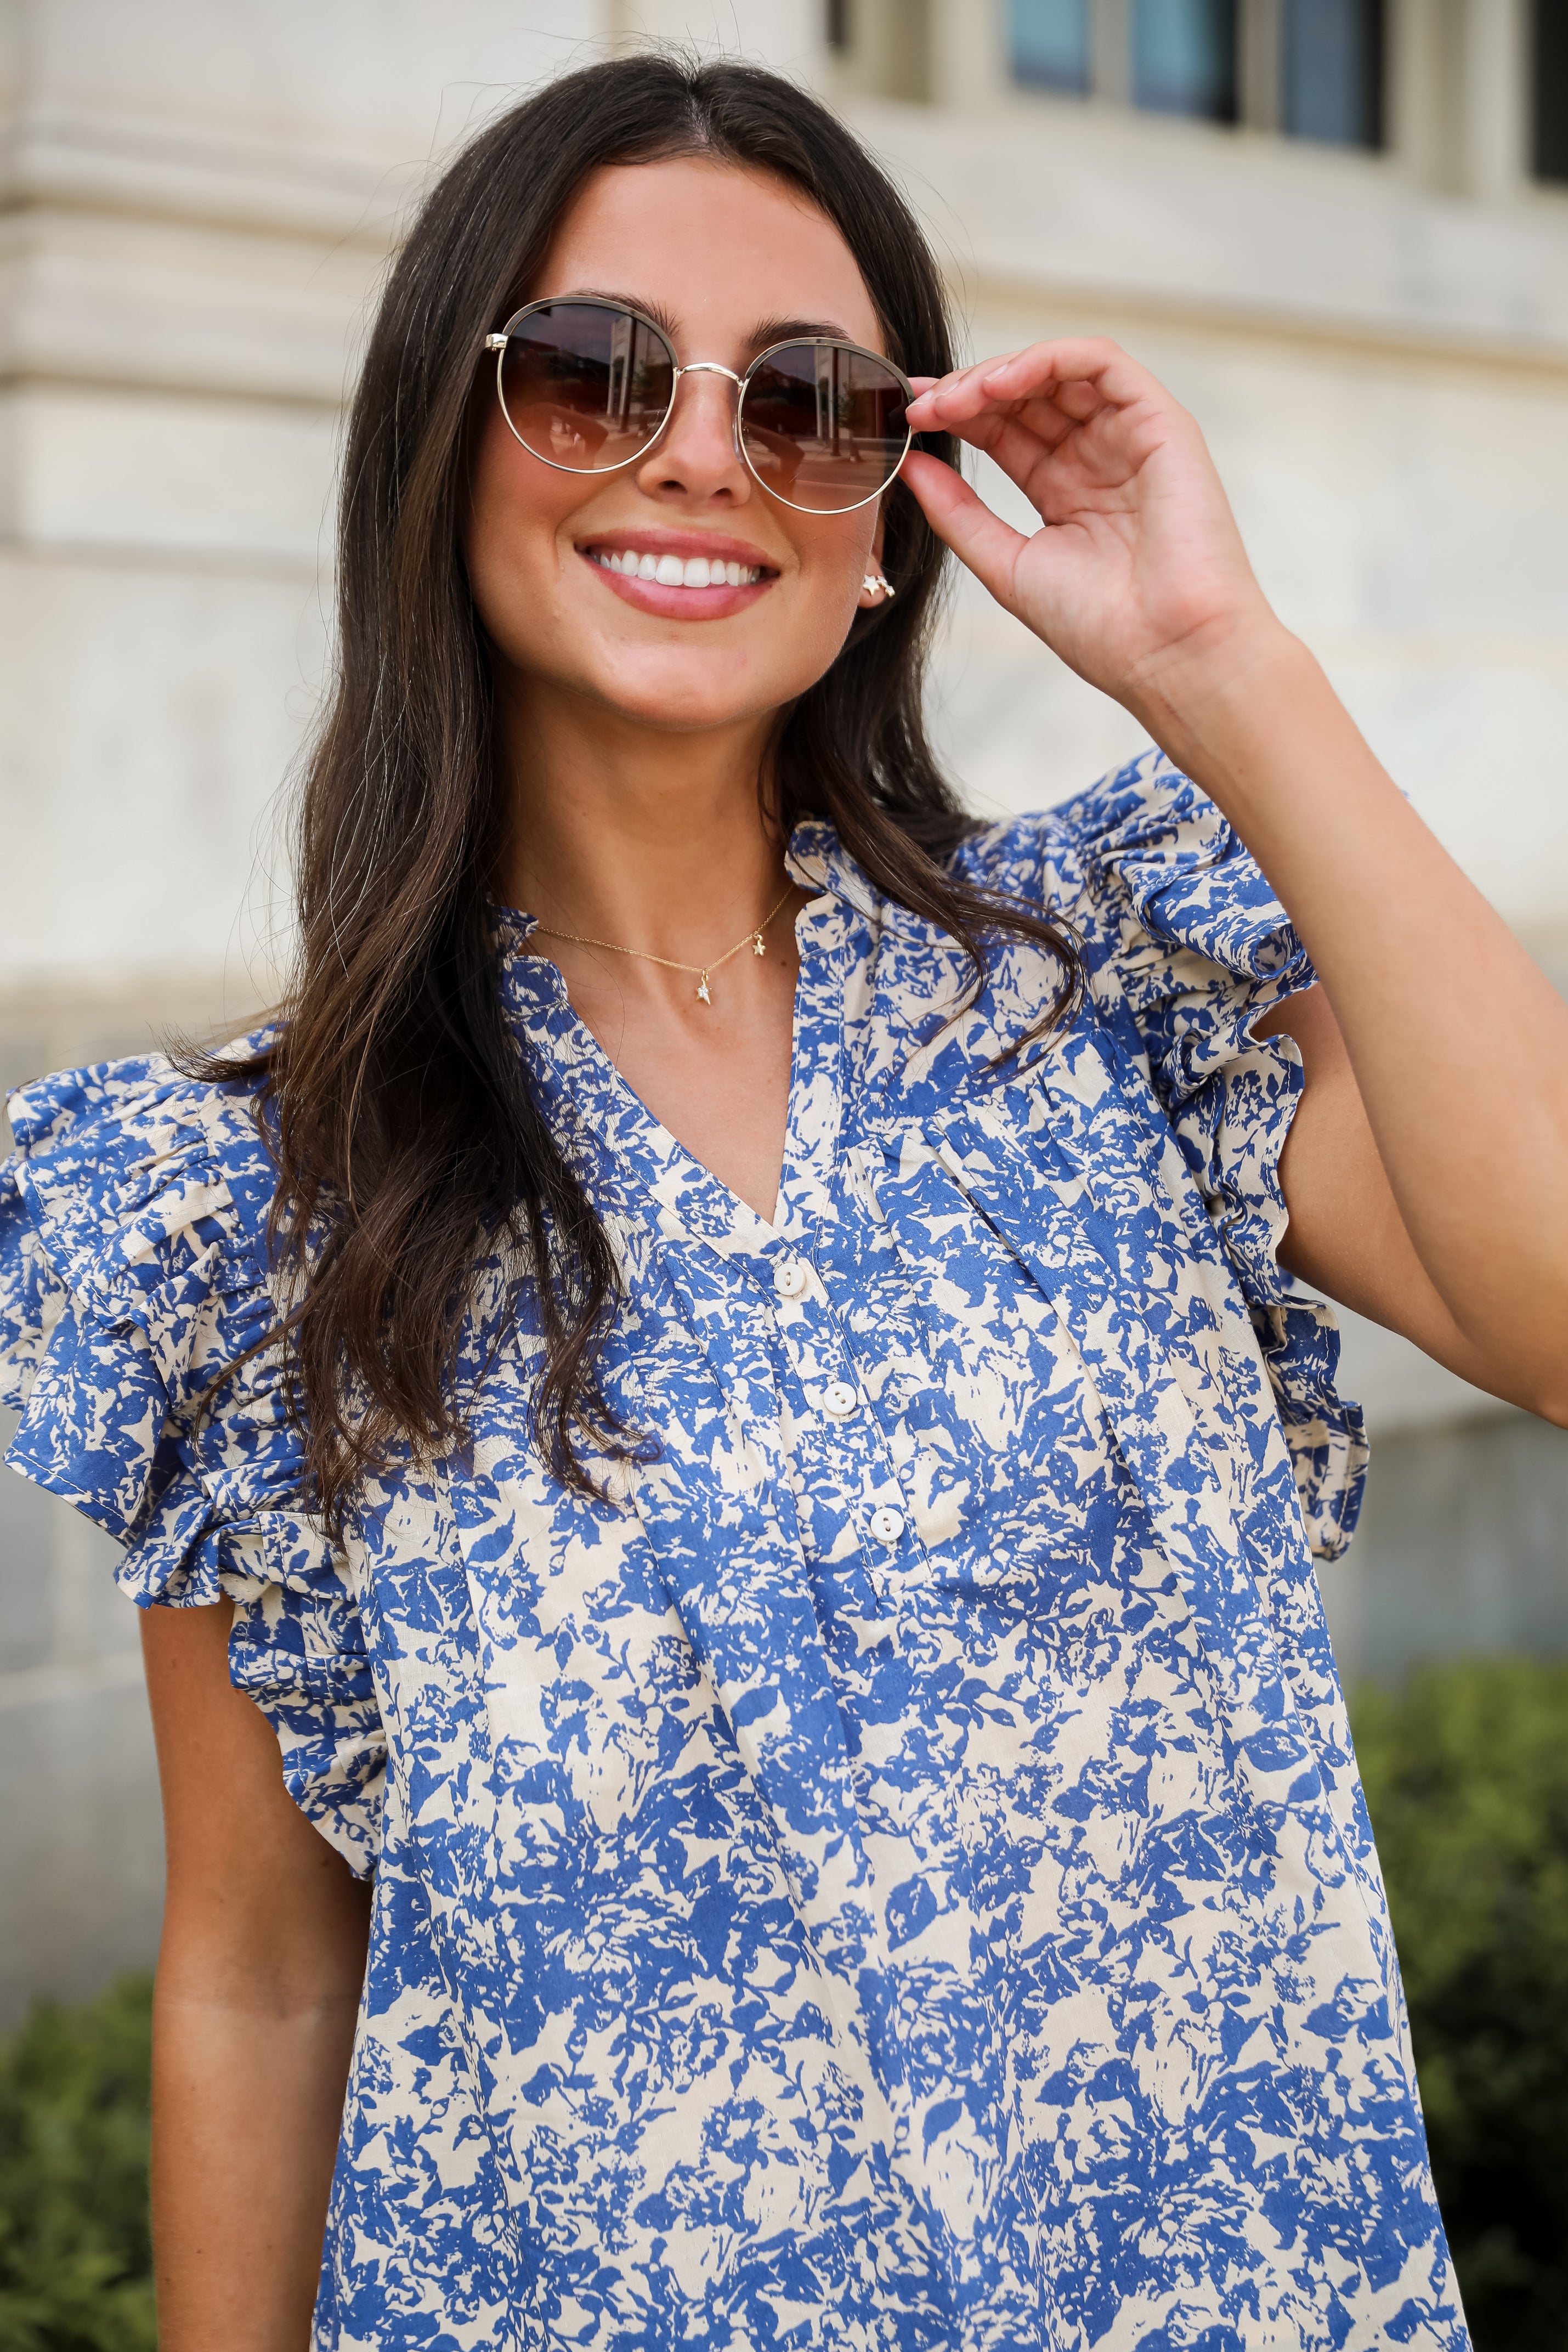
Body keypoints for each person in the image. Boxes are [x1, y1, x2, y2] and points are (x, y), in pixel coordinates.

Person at [2, 49, 1564, 2352]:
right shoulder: (239, 1210)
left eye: (811, 400)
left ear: (886, 518)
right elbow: (256, 1974)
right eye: (591, 371)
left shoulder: (1114, 987)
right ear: (441, 446)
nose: (702, 446)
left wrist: (1229, 671)